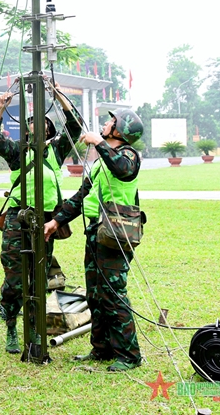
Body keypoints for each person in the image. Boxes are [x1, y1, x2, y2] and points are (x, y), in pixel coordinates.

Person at [44, 109, 145, 372]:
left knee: (113, 295)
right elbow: (81, 196)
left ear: (119, 131)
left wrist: (98, 143)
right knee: (96, 295)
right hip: (97, 232)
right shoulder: (102, 161)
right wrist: (57, 221)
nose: (105, 123)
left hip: (116, 235)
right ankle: (101, 349)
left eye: (111, 121)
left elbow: (123, 170)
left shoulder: (128, 155)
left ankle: (130, 355)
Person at [0, 87, 80, 353]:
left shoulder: (57, 151)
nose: (36, 127)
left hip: (45, 221)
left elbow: (74, 126)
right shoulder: (18, 152)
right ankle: (11, 326)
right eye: (31, 124)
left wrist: (58, 96)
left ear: (50, 130)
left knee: (39, 277)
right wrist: (0, 108)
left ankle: (35, 329)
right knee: (15, 278)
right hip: (18, 217)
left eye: (42, 124)